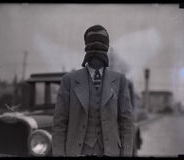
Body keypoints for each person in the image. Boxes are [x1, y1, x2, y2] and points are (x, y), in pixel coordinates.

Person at [52, 25, 134, 157]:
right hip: (76, 152)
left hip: (111, 152)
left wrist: (126, 153)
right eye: (93, 47)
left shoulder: (120, 80)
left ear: (106, 50)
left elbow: (126, 124)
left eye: (101, 47)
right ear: (87, 50)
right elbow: (59, 124)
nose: (97, 53)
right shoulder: (69, 80)